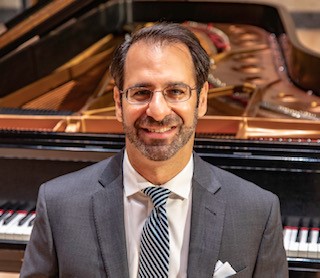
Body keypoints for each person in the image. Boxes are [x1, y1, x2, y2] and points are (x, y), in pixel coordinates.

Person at [20, 22, 288, 277]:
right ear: (118, 102)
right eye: (141, 93)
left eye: (175, 91)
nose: (158, 111)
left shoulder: (257, 211)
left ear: (202, 99)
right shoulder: (58, 204)